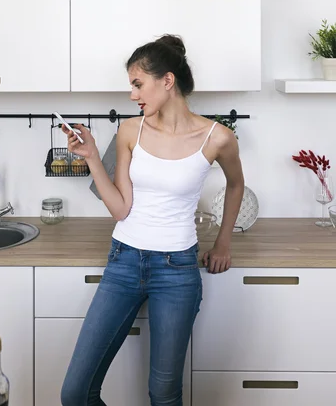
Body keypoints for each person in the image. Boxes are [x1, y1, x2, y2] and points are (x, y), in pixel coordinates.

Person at [60, 34, 244, 406]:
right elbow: (121, 209)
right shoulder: (130, 130)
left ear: (167, 80)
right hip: (123, 262)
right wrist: (93, 156)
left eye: (137, 84)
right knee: (76, 394)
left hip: (176, 272)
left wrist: (223, 243)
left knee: (163, 395)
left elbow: (237, 185)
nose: (132, 95)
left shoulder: (217, 137)